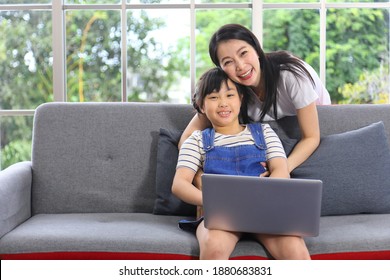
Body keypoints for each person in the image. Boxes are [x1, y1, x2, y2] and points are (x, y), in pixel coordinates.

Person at [172, 67, 311, 260]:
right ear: (201, 106)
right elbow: (179, 185)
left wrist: (270, 187)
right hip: (220, 216)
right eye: (213, 98)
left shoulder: (264, 132)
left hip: (263, 209)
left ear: (241, 99)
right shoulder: (196, 140)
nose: (223, 103)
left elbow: (281, 169)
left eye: (230, 95)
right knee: (214, 245)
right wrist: (211, 201)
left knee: (295, 249)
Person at [180, 23, 331, 174]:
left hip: (318, 110)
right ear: (221, 69)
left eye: (243, 53)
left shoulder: (290, 76)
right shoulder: (232, 92)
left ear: (257, 50)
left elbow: (311, 137)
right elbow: (186, 138)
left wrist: (281, 170)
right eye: (228, 62)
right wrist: (198, 175)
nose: (240, 66)